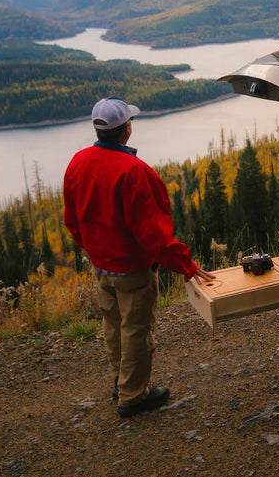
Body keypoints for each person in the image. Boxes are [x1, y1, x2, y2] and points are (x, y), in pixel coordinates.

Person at [63, 96, 215, 417]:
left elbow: (72, 219)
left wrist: (93, 249)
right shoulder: (135, 171)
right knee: (135, 329)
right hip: (132, 269)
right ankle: (132, 396)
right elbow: (153, 234)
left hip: (101, 266)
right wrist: (186, 265)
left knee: (113, 324)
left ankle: (120, 382)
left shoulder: (78, 162)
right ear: (126, 129)